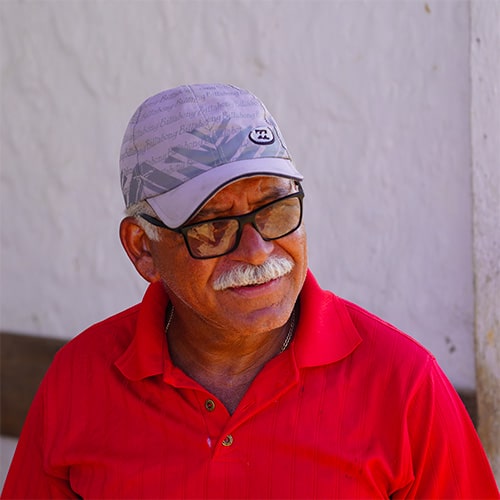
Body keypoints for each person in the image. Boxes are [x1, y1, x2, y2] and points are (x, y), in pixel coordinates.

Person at [2, 83, 498, 499]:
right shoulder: (79, 381)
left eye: (275, 209)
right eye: (213, 226)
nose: (259, 251)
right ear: (143, 249)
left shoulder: (405, 385)